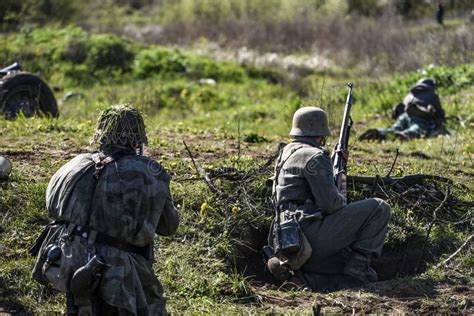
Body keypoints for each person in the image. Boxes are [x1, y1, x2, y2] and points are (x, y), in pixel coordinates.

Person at [32, 105, 179, 315]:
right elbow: (169, 226)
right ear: (138, 136)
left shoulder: (72, 165)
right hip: (120, 271)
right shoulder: (149, 172)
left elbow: (52, 209)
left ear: (101, 132)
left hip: (70, 259)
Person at [266, 107, 391, 291]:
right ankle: (355, 275)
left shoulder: (285, 154)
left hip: (287, 240)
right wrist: (339, 190)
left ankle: (303, 281)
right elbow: (331, 205)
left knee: (371, 276)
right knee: (379, 208)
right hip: (311, 237)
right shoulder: (315, 156)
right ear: (321, 135)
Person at [359, 78, 445, 141]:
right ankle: (404, 135)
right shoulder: (432, 95)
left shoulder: (410, 93)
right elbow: (439, 114)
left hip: (403, 116)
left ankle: (378, 133)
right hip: (419, 117)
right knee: (417, 129)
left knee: (394, 128)